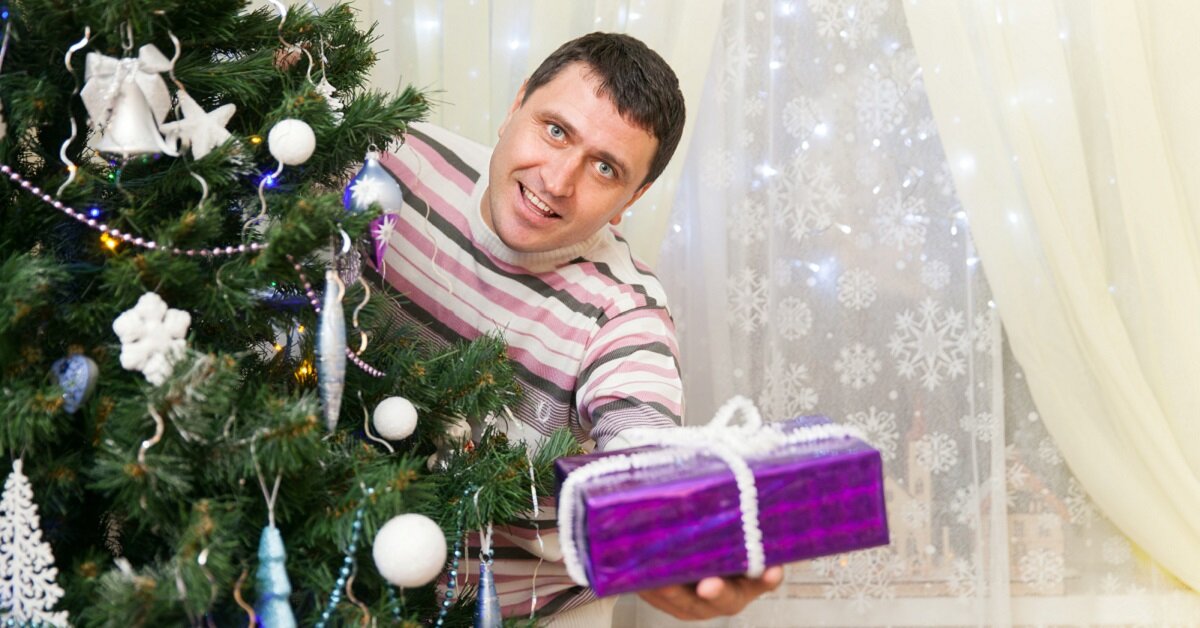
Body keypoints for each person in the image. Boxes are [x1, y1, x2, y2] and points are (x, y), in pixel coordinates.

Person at [370, 32, 783, 626]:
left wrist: (668, 551)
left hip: (521, 614)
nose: (558, 181)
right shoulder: (392, 161)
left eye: (605, 168)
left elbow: (639, 452)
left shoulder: (625, 315)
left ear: (630, 199)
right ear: (516, 106)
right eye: (556, 130)